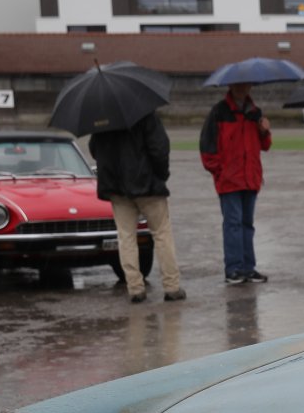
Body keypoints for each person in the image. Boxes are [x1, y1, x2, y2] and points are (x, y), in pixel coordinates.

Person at [89, 109, 183, 303]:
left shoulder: (102, 117)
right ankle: (172, 286)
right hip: (148, 185)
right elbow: (159, 148)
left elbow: (94, 149)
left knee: (126, 237)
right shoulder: (146, 114)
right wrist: (161, 175)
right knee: (162, 234)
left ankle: (135, 288)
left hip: (117, 187)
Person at [199, 80, 272, 284]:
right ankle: (233, 269)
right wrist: (221, 173)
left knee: (247, 224)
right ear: (230, 87)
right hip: (229, 181)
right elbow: (207, 148)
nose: (241, 89)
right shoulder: (218, 112)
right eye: (238, 85)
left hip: (250, 179)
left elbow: (265, 145)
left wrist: (264, 131)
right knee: (233, 224)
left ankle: (248, 268)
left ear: (250, 87)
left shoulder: (255, 113)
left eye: (245, 85)